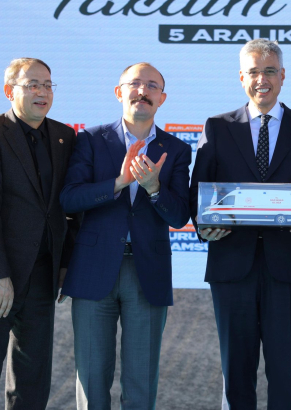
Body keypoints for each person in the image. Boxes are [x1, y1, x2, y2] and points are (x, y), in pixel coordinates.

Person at [190, 39, 291, 409]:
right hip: (231, 265)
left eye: (270, 71)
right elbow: (198, 192)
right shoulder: (217, 127)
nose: (262, 79)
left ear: (283, 76)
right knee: (236, 375)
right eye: (254, 71)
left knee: (286, 375)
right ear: (242, 77)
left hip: (288, 267)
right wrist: (203, 226)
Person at [59, 62, 191, 410]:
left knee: (140, 383)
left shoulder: (177, 149)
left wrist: (154, 188)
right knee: (91, 380)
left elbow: (179, 216)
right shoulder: (90, 139)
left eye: (152, 86)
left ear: (162, 98)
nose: (142, 91)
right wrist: (118, 183)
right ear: (119, 92)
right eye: (135, 84)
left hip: (147, 272)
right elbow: (69, 199)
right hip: (93, 270)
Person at [0, 58, 77, 410]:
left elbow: (68, 207)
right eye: (32, 85)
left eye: (48, 84)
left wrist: (65, 264)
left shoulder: (64, 136)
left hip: (43, 275)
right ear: (9, 90)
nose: (43, 92)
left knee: (32, 377)